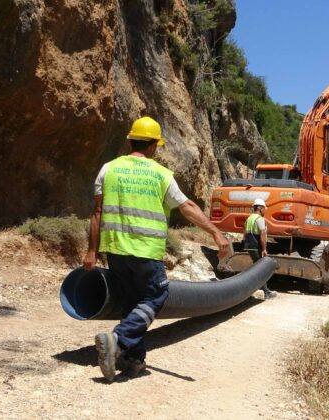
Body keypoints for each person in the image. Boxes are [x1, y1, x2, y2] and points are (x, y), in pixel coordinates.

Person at [83, 116, 230, 382]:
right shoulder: (161, 175)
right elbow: (187, 208)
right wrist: (216, 233)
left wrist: (91, 251)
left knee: (132, 302)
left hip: (115, 250)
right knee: (157, 295)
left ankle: (134, 360)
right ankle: (118, 339)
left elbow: (96, 213)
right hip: (146, 251)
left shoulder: (108, 169)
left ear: (130, 141)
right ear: (153, 147)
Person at [243, 198, 278, 299]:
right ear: (259, 208)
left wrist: (245, 242)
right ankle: (267, 293)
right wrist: (264, 249)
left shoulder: (249, 218)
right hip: (256, 246)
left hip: (249, 246)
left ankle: (256, 290)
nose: (265, 210)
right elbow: (262, 234)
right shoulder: (259, 219)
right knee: (261, 270)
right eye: (264, 208)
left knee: (256, 268)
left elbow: (244, 231)